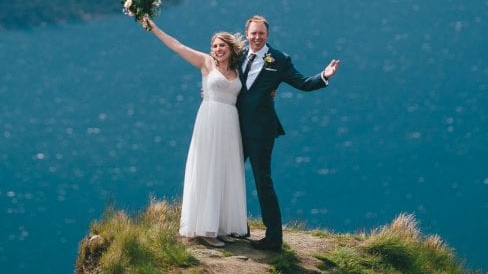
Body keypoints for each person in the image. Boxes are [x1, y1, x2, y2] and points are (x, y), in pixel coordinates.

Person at [138, 16, 249, 248]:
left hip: (230, 123)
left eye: (222, 45)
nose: (217, 49)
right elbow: (178, 46)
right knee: (208, 168)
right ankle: (206, 229)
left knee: (226, 170)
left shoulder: (240, 69)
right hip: (209, 120)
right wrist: (153, 27)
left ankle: (222, 226)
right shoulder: (206, 63)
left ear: (231, 48)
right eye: (215, 46)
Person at [237, 14, 340, 250]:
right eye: (253, 33)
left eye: (261, 33)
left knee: (263, 182)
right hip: (234, 127)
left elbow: (303, 83)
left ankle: (274, 238)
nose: (257, 37)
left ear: (267, 35)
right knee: (230, 177)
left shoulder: (280, 60)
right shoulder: (238, 54)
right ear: (246, 34)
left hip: (262, 131)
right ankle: (236, 226)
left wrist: (324, 76)